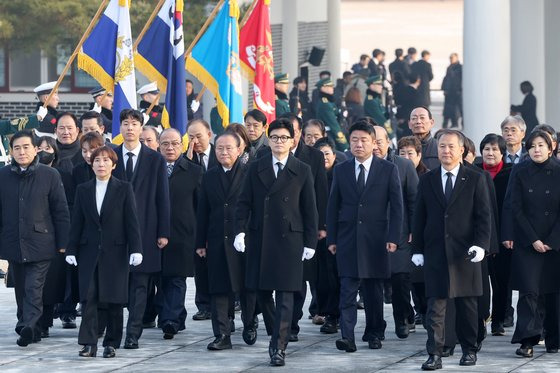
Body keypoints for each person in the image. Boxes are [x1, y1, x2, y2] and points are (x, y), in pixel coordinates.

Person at [234, 118, 318, 366]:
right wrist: (240, 231)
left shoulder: (302, 169)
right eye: (275, 137)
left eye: (284, 138)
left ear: (293, 141)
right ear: (268, 140)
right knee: (261, 292)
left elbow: (310, 209)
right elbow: (244, 202)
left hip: (290, 240)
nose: (279, 142)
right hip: (260, 237)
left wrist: (311, 242)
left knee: (285, 295)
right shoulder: (256, 167)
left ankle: (278, 347)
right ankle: (275, 332)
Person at [412, 129, 491, 370]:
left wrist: (481, 245)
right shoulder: (428, 179)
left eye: (451, 147)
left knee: (468, 306)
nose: (446, 151)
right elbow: (419, 217)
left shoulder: (475, 178)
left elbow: (483, 217)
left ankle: (469, 350)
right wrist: (417, 249)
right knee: (436, 306)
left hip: (465, 253)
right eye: (442, 146)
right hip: (436, 252)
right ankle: (434, 353)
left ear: (462, 151)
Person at [327, 120, 403, 352]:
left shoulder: (388, 169)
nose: (358, 144)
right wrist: (332, 238)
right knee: (347, 289)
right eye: (354, 140)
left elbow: (397, 206)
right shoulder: (341, 170)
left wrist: (393, 237)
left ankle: (374, 332)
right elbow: (333, 205)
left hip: (376, 238)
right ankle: (347, 336)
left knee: (373, 291)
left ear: (373, 143)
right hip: (348, 238)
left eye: (363, 140)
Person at [65, 145, 142, 358]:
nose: (101, 164)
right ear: (91, 164)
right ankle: (89, 343)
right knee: (89, 298)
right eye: (97, 160)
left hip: (116, 252)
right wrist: (71, 249)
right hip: (88, 251)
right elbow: (77, 222)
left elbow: (131, 221)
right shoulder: (83, 189)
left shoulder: (124, 188)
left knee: (114, 299)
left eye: (106, 160)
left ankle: (111, 343)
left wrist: (136, 249)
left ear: (114, 165)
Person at [0, 130, 70, 347]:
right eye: (17, 148)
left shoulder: (50, 175)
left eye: (26, 147)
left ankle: (28, 325)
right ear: (11, 151)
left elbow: (61, 211)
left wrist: (63, 243)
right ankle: (30, 327)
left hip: (41, 241)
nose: (22, 152)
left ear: (35, 149)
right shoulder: (2, 175)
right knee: (20, 287)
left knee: (34, 287)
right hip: (13, 241)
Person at [112, 109, 170, 349]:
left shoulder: (155, 158)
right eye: (125, 123)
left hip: (146, 229)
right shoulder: (110, 155)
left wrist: (163, 232)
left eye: (134, 124)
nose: (129, 128)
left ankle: (133, 333)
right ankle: (113, 330)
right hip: (115, 232)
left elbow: (162, 198)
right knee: (116, 283)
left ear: (141, 127)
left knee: (140, 284)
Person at [508, 131, 560, 357]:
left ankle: (554, 339)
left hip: (555, 241)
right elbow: (514, 207)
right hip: (527, 241)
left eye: (541, 145)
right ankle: (528, 340)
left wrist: (551, 240)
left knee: (553, 291)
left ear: (551, 148)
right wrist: (533, 239)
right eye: (532, 146)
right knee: (529, 291)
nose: (537, 149)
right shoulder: (519, 171)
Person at [196, 132, 248, 350]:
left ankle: (250, 323)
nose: (224, 152)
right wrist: (200, 243)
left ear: (239, 150)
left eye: (228, 148)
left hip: (243, 239)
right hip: (217, 239)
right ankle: (222, 335)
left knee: (245, 287)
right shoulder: (208, 176)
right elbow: (203, 211)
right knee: (218, 287)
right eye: (219, 148)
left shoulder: (249, 173)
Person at [373, 125, 418, 339]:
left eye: (378, 140)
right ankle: (376, 326)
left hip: (399, 231)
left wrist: (413, 229)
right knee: (373, 283)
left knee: (400, 280)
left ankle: (402, 319)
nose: (374, 145)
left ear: (387, 142)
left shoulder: (404, 165)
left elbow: (414, 200)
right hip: (372, 234)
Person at [158, 128, 203, 339]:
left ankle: (171, 320)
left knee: (177, 279)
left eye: (175, 143)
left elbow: (200, 206)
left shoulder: (194, 171)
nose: (170, 147)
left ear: (182, 145)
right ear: (159, 146)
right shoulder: (153, 169)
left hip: (183, 234)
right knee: (161, 279)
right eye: (165, 143)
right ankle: (171, 315)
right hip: (156, 233)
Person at [475, 134, 513, 337]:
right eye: (486, 149)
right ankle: (481, 318)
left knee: (501, 282)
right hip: (479, 236)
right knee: (480, 282)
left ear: (502, 153)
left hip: (502, 235)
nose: (490, 153)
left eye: (494, 150)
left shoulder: (510, 173)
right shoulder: (473, 172)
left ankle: (499, 319)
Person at [313, 137, 341, 334]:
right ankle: (320, 310)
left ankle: (334, 315)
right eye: (320, 155)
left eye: (327, 154)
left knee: (334, 276)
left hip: (336, 234)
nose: (324, 158)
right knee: (318, 277)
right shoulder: (310, 174)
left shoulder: (341, 174)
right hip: (314, 234)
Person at [315, 78, 349, 152]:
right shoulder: (325, 104)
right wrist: (344, 145)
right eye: (329, 86)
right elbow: (334, 126)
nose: (332, 88)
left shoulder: (329, 102)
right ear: (322, 88)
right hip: (331, 136)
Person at [393, 71, 420, 138]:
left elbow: (397, 103)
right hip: (410, 120)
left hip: (400, 118)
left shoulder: (402, 90)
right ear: (418, 80)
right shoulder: (416, 93)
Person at [442, 53, 462, 129]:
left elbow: (459, 80)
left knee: (455, 109)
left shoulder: (459, 68)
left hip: (456, 92)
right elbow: (446, 79)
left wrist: (459, 89)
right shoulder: (449, 67)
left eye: (452, 58)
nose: (451, 59)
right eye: (450, 58)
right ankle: (446, 123)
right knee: (448, 109)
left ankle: (455, 123)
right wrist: (445, 88)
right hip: (449, 92)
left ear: (456, 58)